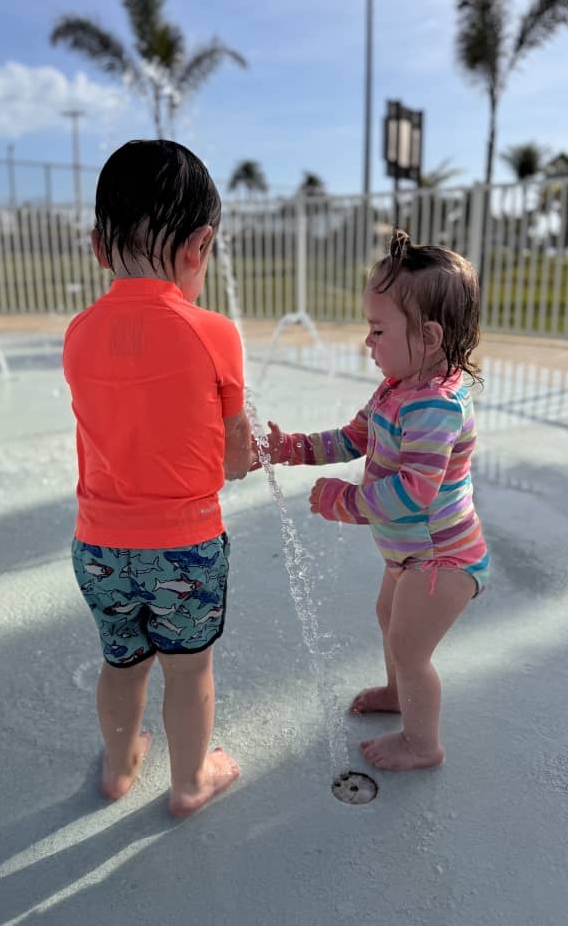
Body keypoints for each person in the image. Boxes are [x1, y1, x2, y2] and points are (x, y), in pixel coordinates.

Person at [63, 139, 252, 814]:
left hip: (99, 546)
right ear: (200, 247)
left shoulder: (78, 332)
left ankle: (118, 769)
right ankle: (189, 781)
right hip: (186, 546)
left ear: (97, 247)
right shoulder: (213, 332)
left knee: (122, 663)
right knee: (189, 669)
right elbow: (232, 455)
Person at [256, 231, 489, 771]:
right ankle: (395, 690)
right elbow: (353, 437)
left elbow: (414, 493)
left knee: (411, 647)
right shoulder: (396, 387)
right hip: (411, 555)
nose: (368, 341)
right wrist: (292, 447)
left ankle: (422, 743)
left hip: (442, 559)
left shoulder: (434, 406)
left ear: (429, 336)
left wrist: (346, 501)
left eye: (378, 329)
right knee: (388, 618)